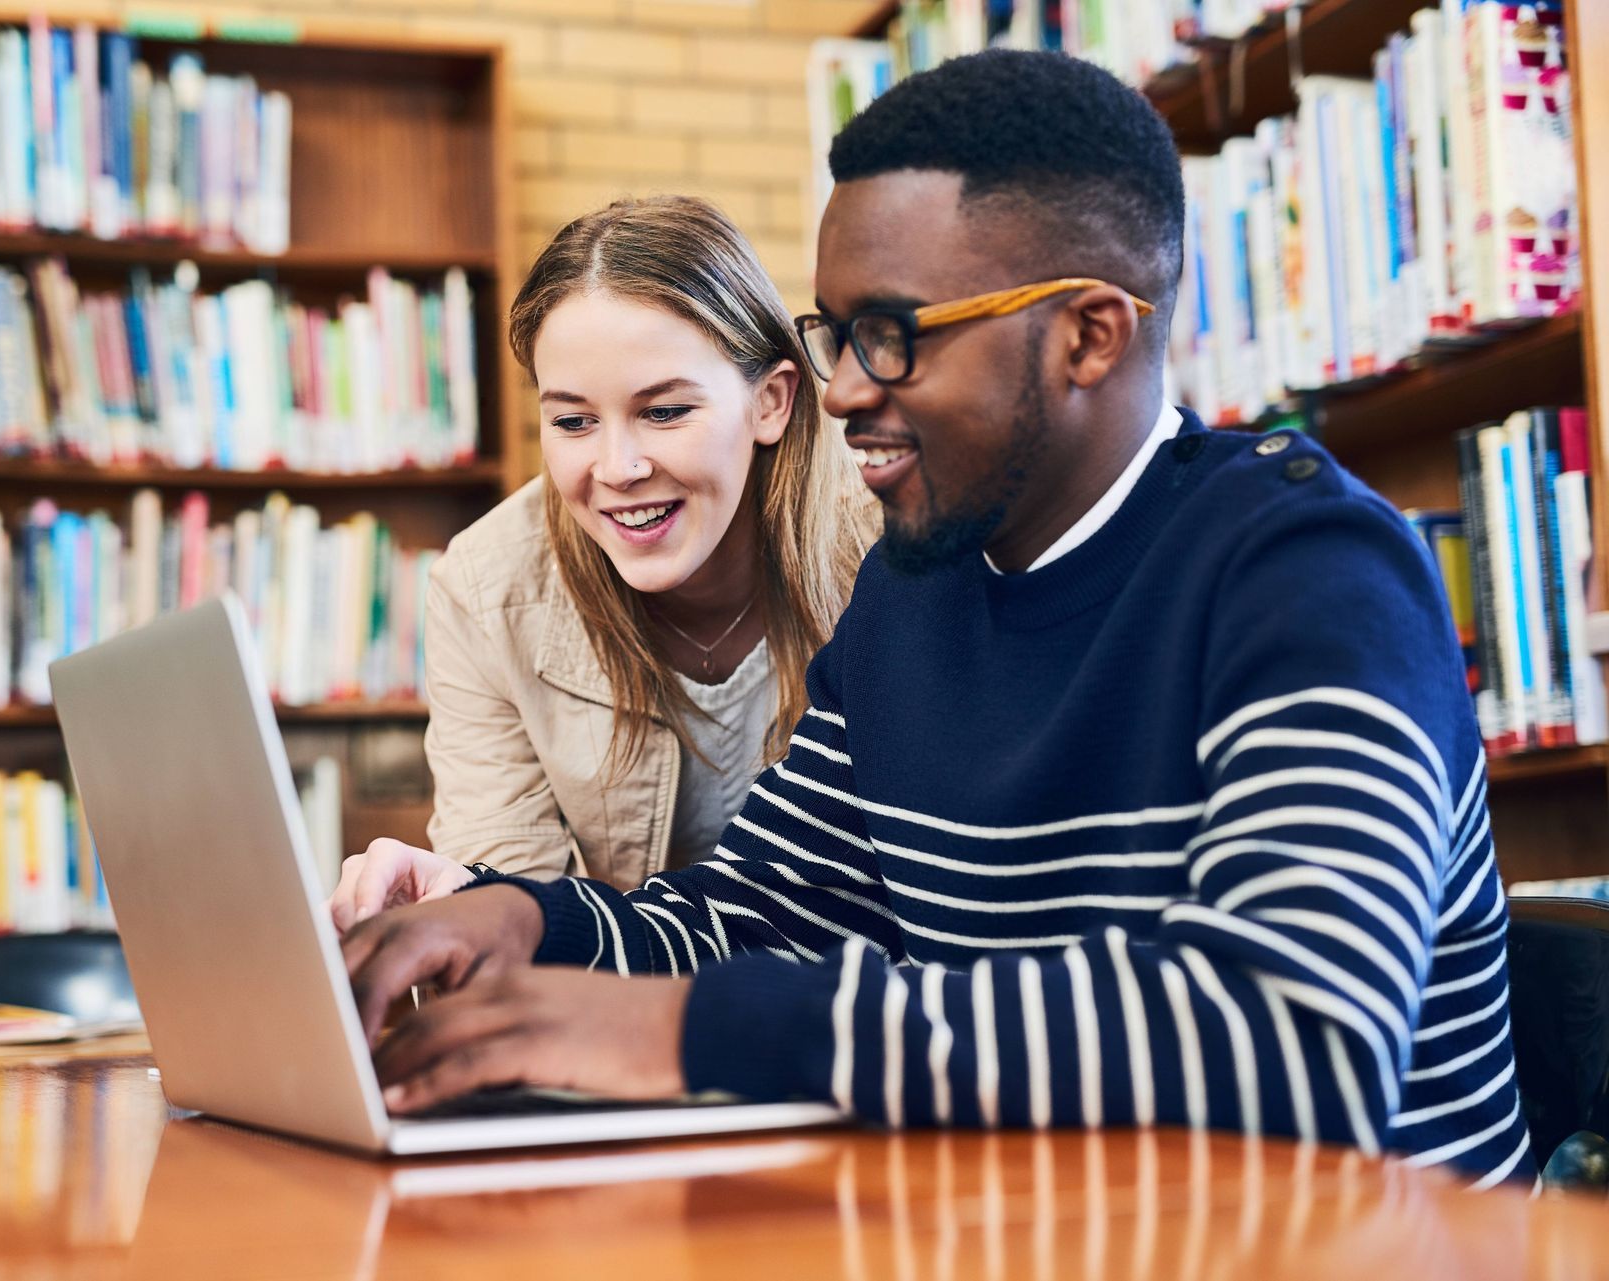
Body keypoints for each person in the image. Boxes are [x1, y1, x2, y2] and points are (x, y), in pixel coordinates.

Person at [338, 49, 1533, 1186]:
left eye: (892, 337)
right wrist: (514, 920)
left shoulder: (1313, 572)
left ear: (1089, 335)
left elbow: (1294, 1041)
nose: (846, 392)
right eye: (834, 332)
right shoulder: (915, 592)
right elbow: (754, 917)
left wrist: (692, 1032)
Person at [329, 196, 875, 926]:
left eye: (665, 411)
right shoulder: (488, 588)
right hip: (627, 1008)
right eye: (574, 421)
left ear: (770, 402)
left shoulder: (886, 542)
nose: (616, 467)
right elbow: (517, 925)